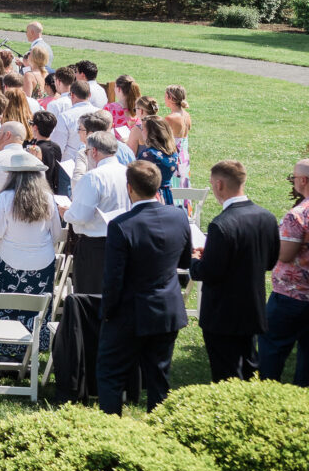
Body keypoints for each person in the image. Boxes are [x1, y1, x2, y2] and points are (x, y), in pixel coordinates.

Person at [97, 161, 191, 414]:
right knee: (159, 377)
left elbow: (114, 277)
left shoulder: (121, 225)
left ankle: (111, 430)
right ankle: (158, 433)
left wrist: (107, 311)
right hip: (166, 310)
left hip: (128, 313)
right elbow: (184, 261)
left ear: (130, 188)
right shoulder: (179, 216)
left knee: (110, 375)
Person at [187, 160, 280, 381]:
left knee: (225, 374)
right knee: (250, 367)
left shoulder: (221, 224)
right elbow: (269, 262)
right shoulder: (266, 217)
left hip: (222, 314)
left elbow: (208, 272)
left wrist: (194, 261)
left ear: (219, 185)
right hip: (252, 308)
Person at [0, 150, 64, 352]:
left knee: (4, 306)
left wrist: (0, 254)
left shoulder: (5, 197)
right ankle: (34, 349)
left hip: (9, 260)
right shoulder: (48, 198)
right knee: (37, 310)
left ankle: (3, 347)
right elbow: (55, 233)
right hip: (42, 263)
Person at [261, 159, 309, 385]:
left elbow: (285, 254)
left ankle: (268, 396)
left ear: (303, 181)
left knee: (272, 349)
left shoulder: (298, 214)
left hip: (291, 296)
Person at [66, 131, 130, 294]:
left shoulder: (93, 177)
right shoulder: (128, 172)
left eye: (87, 152)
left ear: (93, 151)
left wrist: (65, 213)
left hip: (95, 246)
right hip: (122, 243)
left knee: (90, 297)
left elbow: (80, 216)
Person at [163, 86, 193, 188]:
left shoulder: (170, 118)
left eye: (166, 96)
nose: (164, 98)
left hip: (174, 158)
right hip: (184, 158)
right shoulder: (187, 115)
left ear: (171, 98)